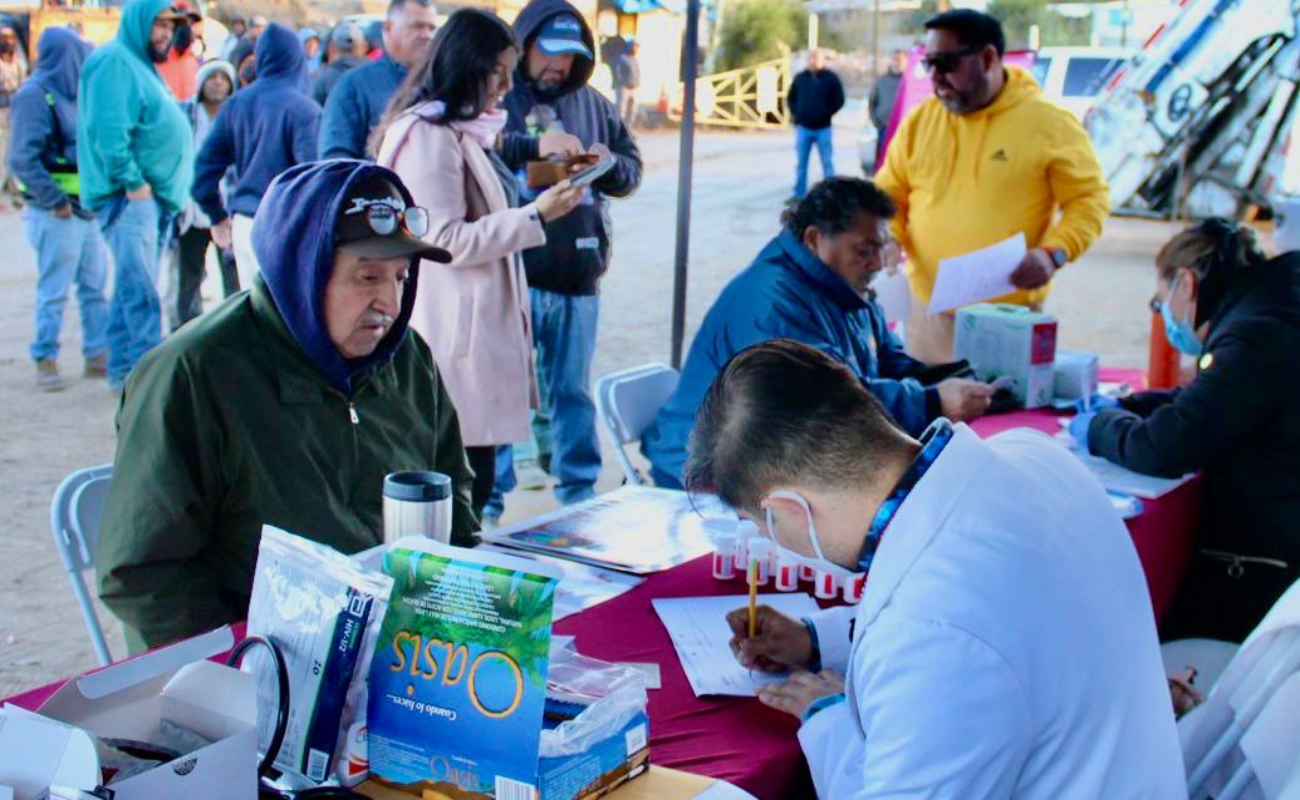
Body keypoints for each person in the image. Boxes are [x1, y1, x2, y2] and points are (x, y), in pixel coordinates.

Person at [685, 339, 1186, 798]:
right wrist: (820, 641)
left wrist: (830, 719)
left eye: (760, 524)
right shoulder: (1032, 454)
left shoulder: (931, 634)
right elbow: (999, 621)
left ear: (789, 509)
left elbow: (948, 636)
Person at [96, 160, 478, 652]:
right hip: (253, 668)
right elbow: (142, 573)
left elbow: (456, 496)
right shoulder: (194, 374)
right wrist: (243, 670)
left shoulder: (407, 359)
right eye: (367, 277)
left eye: (401, 277)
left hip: (397, 654)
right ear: (304, 269)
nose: (390, 300)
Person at [641, 178, 993, 487]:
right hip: (714, 468)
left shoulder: (846, 290)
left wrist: (954, 379)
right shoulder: (771, 302)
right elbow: (823, 400)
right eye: (863, 250)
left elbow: (887, 361)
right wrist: (931, 401)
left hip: (776, 456)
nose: (875, 263)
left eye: (880, 248)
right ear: (814, 239)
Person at [375, 9, 587, 519]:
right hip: (452, 345)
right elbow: (441, 240)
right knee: (462, 495)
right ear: (467, 65)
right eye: (499, 72)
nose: (507, 85)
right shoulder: (428, 134)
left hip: (471, 342)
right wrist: (535, 215)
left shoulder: (465, 129)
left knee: (477, 483)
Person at [1073, 220, 1300, 643]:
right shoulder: (1273, 301)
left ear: (1186, 285)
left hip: (1266, 553)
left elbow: (1165, 447)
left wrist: (1100, 427)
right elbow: (1213, 399)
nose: (1164, 316)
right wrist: (1130, 405)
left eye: (1161, 303)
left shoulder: (1255, 335)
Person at [875, 9, 1109, 363]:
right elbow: (890, 190)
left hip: (1008, 321)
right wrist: (889, 235)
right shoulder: (921, 121)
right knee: (923, 414)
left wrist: (1053, 253)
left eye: (947, 63)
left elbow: (1089, 200)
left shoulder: (1048, 124)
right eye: (929, 63)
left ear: (988, 58)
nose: (936, 77)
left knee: (1004, 418)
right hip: (927, 313)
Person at [496, 0, 643, 508]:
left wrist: (607, 165)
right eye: (549, 53)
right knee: (504, 394)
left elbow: (631, 168)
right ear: (525, 46)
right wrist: (532, 149)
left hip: (579, 275)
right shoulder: (497, 95)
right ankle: (492, 499)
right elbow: (477, 148)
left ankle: (579, 494)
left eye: (570, 55)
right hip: (513, 271)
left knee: (572, 393)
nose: (559, 65)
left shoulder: (596, 103)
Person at [78, 0, 196, 393]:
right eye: (159, 24)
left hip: (150, 200)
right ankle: (149, 386)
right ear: (140, 22)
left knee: (132, 290)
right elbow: (108, 131)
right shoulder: (114, 62)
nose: (165, 33)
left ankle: (124, 376)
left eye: (170, 26)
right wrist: (133, 184)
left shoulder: (140, 64)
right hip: (130, 199)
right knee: (142, 293)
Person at [9, 27, 109, 391]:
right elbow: (22, 157)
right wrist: (55, 202)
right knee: (55, 289)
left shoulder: (76, 94)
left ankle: (97, 353)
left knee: (94, 287)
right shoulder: (35, 97)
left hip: (85, 210)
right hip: (56, 213)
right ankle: (45, 356)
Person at [193, 22, 321, 290]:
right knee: (287, 322)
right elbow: (313, 181)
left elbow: (202, 172)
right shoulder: (304, 111)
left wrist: (216, 215)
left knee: (255, 316)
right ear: (296, 58)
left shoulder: (236, 104)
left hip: (245, 225)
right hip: (286, 227)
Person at [318, 0, 438, 159]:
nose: (426, 35)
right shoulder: (355, 85)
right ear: (387, 28)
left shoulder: (442, 82)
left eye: (431, 28)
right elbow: (336, 162)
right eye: (417, 26)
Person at [171, 60, 239, 326]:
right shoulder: (185, 114)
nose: (219, 82)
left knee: (232, 278)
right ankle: (186, 330)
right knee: (189, 276)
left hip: (227, 207)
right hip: (192, 207)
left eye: (224, 77)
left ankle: (233, 331)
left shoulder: (237, 113)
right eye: (213, 77)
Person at [788, 49, 844, 200]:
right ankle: (799, 194)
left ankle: (831, 194)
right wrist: (797, 114)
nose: (813, 61)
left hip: (823, 129)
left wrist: (826, 113)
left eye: (817, 58)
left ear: (823, 61)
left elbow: (839, 100)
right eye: (811, 58)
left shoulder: (831, 78)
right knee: (801, 164)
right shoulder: (800, 78)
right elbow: (791, 98)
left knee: (827, 162)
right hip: (803, 128)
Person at [0, 25, 28, 208]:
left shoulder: (17, 61)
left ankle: (14, 189)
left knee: (12, 150)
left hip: (14, 110)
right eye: (5, 38)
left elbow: (24, 81)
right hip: (2, 109)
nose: (9, 42)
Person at [867, 49, 907, 169]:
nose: (897, 62)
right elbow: (872, 102)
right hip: (884, 128)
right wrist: (876, 121)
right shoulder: (881, 80)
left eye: (900, 59)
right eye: (895, 59)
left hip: (905, 129)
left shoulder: (910, 82)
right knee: (883, 163)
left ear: (906, 61)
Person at [155, 1, 202, 101]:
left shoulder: (193, 62)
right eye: (181, 23)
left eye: (190, 23)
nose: (186, 28)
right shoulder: (155, 60)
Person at [312, 23, 366, 107]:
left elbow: (316, 111)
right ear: (363, 45)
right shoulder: (377, 74)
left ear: (333, 46)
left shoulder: (324, 77)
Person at [613, 39, 640, 128]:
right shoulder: (622, 58)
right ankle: (619, 129)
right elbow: (618, 72)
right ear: (629, 47)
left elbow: (637, 72)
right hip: (623, 88)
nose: (636, 49)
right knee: (621, 109)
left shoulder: (634, 59)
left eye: (637, 47)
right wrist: (623, 82)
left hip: (634, 88)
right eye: (634, 46)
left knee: (633, 110)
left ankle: (629, 129)